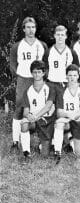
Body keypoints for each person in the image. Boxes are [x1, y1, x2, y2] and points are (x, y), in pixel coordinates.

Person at [9, 17, 48, 153]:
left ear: (36, 28)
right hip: (24, 79)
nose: (31, 30)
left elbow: (46, 63)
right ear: (24, 29)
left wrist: (43, 76)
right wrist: (19, 75)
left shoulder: (42, 45)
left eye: (33, 27)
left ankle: (40, 139)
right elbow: (12, 63)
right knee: (20, 108)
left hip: (37, 80)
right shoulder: (17, 46)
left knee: (39, 107)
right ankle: (15, 141)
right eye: (28, 27)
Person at [51, 64, 80, 163]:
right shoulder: (62, 91)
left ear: (78, 76)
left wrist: (74, 116)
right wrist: (70, 115)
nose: (72, 78)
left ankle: (70, 139)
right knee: (59, 122)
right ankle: (57, 152)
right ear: (66, 76)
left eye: (74, 75)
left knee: (78, 154)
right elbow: (59, 112)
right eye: (70, 75)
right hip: (68, 119)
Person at [20, 60, 56, 162]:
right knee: (24, 123)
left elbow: (48, 106)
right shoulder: (27, 90)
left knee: (45, 155)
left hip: (47, 120)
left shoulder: (50, 87)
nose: (37, 74)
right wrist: (29, 116)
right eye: (35, 72)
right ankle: (26, 153)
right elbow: (25, 111)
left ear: (43, 73)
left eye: (39, 72)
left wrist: (36, 116)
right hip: (34, 120)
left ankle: (43, 144)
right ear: (31, 73)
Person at [43, 25, 79, 94]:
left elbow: (77, 69)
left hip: (67, 84)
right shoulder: (48, 52)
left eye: (62, 35)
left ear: (66, 36)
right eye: (58, 34)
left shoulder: (72, 52)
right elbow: (44, 69)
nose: (60, 37)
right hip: (52, 84)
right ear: (54, 36)